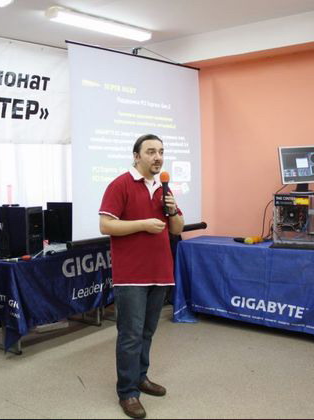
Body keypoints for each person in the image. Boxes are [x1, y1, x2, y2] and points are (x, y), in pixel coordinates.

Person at [99, 134, 184, 419]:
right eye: (150, 152)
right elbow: (105, 225)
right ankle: (127, 392)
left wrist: (172, 211)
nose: (158, 157)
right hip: (131, 276)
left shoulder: (163, 188)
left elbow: (177, 228)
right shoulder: (120, 184)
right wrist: (143, 225)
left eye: (161, 151)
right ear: (136, 156)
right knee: (131, 335)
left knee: (147, 332)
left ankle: (140, 377)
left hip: (160, 273)